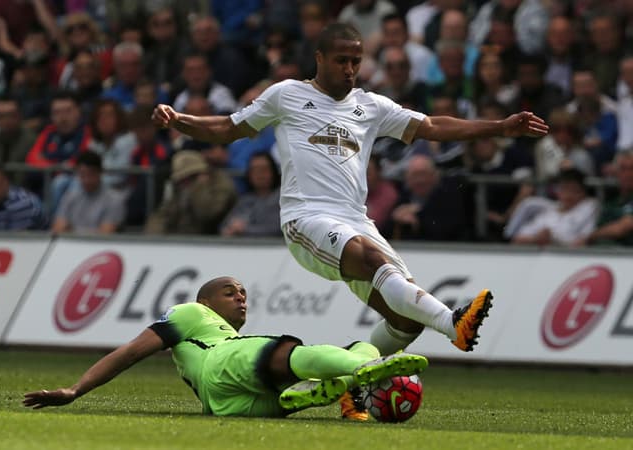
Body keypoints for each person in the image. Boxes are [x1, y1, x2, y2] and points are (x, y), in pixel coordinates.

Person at [152, 23, 548, 420]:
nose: (349, 69)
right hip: (305, 218)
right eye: (341, 60)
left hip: (355, 220)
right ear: (320, 58)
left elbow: (431, 126)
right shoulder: (287, 94)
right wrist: (179, 120)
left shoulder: (371, 106)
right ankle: (453, 323)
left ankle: (347, 388)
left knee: (405, 320)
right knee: (374, 260)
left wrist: (499, 127)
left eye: (355, 61)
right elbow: (228, 128)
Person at [23, 276, 428, 417]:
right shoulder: (190, 314)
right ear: (205, 302)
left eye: (244, 294)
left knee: (304, 382)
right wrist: (77, 389)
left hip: (226, 404)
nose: (240, 298)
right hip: (222, 365)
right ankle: (359, 368)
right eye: (229, 292)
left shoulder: (223, 333)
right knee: (292, 354)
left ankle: (331, 385)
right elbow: (131, 351)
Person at [145, 150, 237, 235]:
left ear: (201, 173)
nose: (183, 184)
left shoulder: (221, 184)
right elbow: (163, 215)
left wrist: (199, 186)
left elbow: (207, 213)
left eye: (188, 178)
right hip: (180, 241)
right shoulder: (181, 189)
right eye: (181, 180)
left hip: (209, 242)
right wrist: (154, 239)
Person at [51, 151, 125, 234]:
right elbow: (58, 227)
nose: (86, 180)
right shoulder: (70, 195)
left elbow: (106, 233)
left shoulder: (115, 199)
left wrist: (71, 230)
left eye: (91, 174)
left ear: (100, 173)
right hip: (70, 244)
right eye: (82, 174)